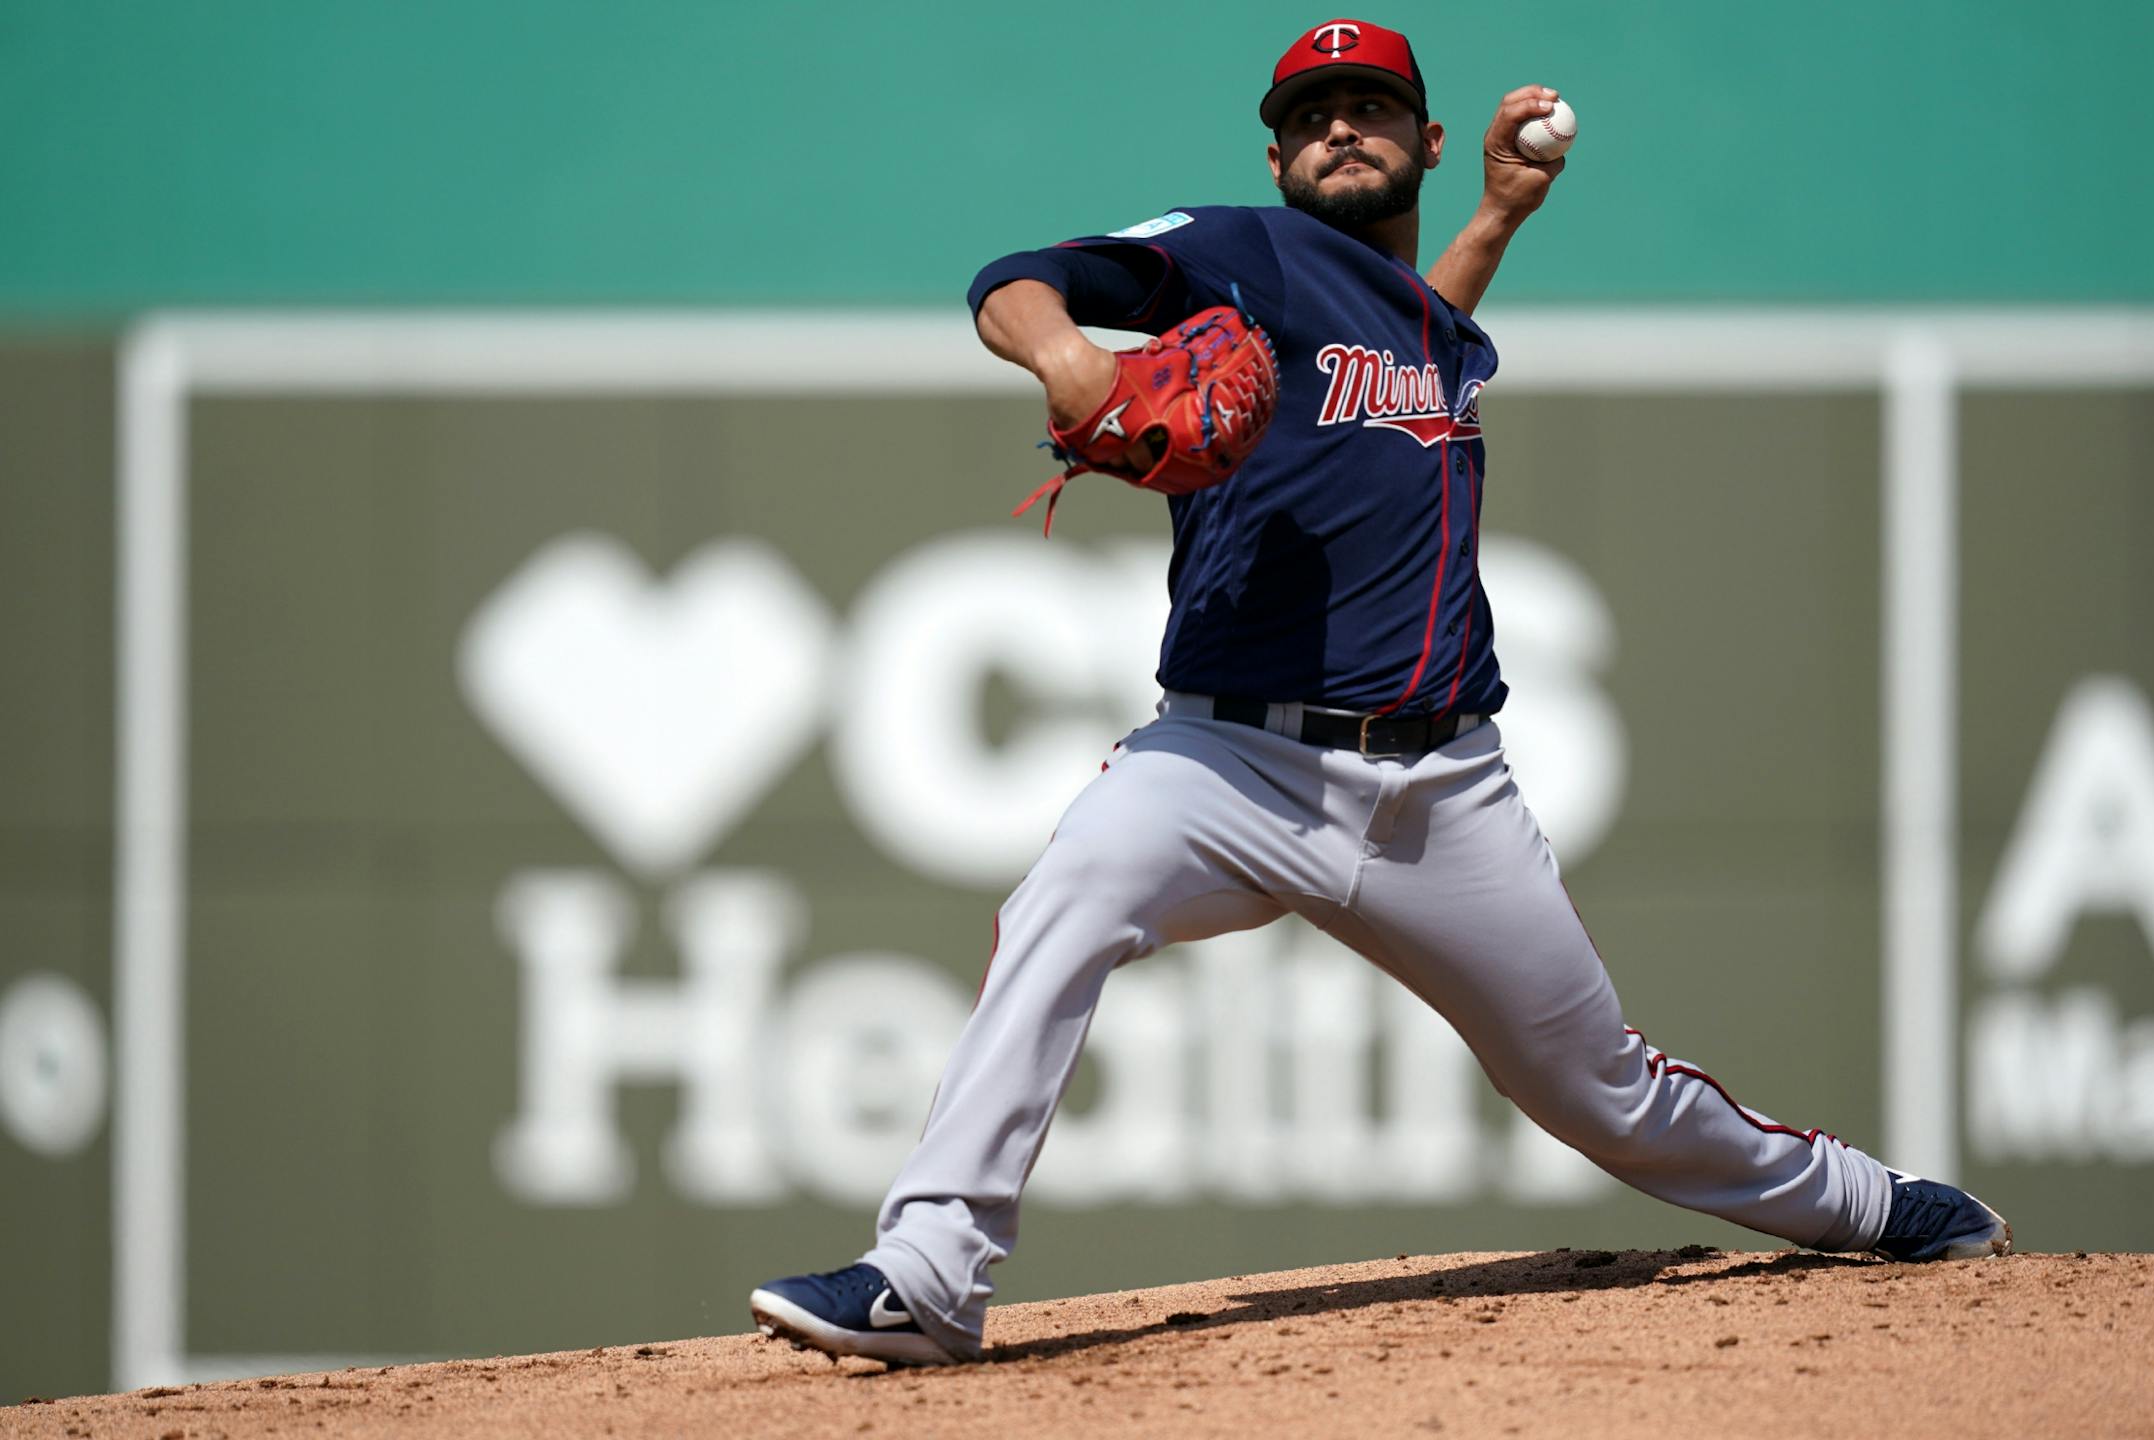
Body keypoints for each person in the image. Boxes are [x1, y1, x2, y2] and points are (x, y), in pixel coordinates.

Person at [749, 18, 2010, 1368]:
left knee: (1598, 1093)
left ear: (1423, 137)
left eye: (1368, 105)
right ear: (1278, 152)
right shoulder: (1241, 253)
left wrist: (1497, 220)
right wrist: (1068, 355)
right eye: (1309, 113)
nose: (1337, 126)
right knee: (1064, 902)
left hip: (1442, 792)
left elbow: (1414, 342)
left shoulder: (1440, 330)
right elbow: (1020, 277)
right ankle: (930, 1273)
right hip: (1226, 766)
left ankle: (1867, 1206)